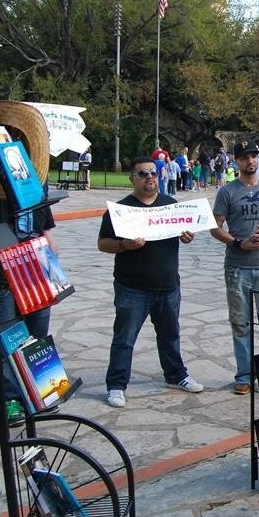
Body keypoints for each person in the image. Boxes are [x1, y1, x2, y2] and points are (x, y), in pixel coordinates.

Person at [97, 157, 204, 408]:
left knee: (170, 335)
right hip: (132, 287)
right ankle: (116, 384)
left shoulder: (171, 205)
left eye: (154, 173)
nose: (150, 178)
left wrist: (187, 237)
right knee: (124, 339)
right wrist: (124, 245)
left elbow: (183, 235)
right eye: (143, 173)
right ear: (132, 179)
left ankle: (176, 375)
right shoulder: (121, 211)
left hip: (168, 285)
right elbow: (103, 244)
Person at [211, 140, 259, 395]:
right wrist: (237, 243)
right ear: (237, 161)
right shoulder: (227, 191)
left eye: (254, 156)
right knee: (240, 323)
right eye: (245, 157)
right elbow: (215, 227)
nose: (250, 161)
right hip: (237, 267)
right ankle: (244, 375)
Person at [0, 195, 57, 426]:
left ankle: (41, 394)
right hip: (4, 278)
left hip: (37, 275)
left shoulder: (36, 192)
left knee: (37, 338)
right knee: (6, 342)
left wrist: (53, 270)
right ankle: (8, 399)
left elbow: (46, 230)